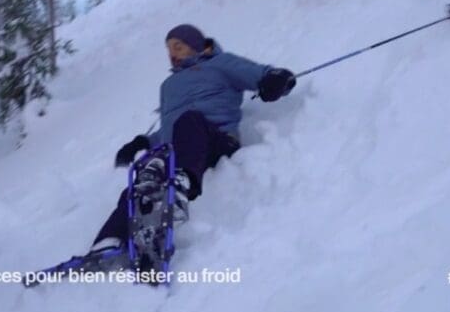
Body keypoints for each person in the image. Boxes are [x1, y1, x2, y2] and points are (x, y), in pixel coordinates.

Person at [90, 23, 296, 251]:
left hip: (216, 139)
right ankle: (109, 241)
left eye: (178, 47)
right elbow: (170, 128)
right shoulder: (168, 85)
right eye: (169, 49)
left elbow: (261, 73)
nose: (172, 54)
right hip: (181, 146)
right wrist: (142, 142)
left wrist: (277, 79)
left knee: (190, 122)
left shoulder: (220, 63)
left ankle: (180, 186)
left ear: (195, 46)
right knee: (143, 178)